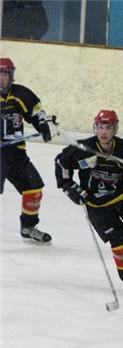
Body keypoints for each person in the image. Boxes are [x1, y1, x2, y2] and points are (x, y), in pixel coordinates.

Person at [55, 109, 123, 291]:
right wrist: (69, 186)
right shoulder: (82, 149)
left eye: (108, 128)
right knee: (119, 241)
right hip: (97, 205)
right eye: (100, 127)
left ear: (115, 129)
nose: (104, 132)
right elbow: (61, 162)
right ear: (95, 128)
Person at [1, 57, 56, 243]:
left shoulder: (21, 94)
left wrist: (45, 126)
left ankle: (28, 227)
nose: (1, 77)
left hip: (16, 153)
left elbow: (37, 114)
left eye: (5, 74)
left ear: (11, 75)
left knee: (34, 187)